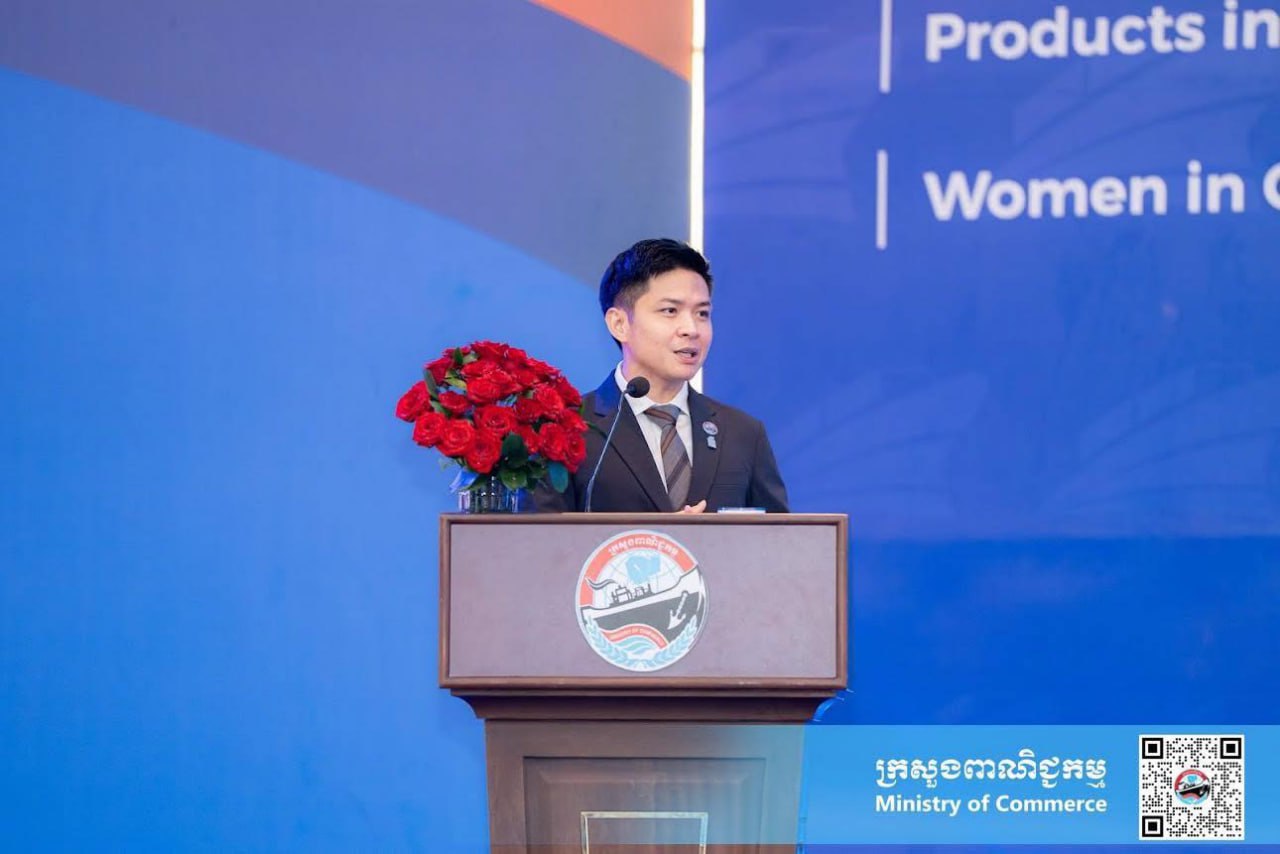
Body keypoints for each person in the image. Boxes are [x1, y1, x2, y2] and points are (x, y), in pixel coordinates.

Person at [535, 238, 789, 513]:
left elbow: (780, 536)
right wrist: (659, 536)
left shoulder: (743, 434)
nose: (691, 329)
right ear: (619, 324)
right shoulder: (566, 429)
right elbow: (539, 536)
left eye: (702, 313)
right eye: (670, 311)